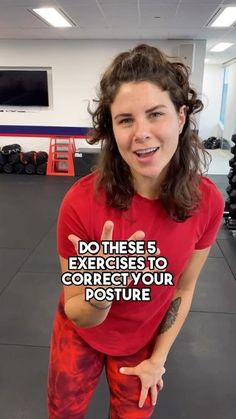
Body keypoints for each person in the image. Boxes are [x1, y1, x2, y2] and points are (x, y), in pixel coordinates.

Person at [47, 44, 225, 419]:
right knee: (63, 413)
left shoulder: (207, 202)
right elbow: (79, 311)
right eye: (125, 119)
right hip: (80, 333)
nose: (141, 133)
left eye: (155, 114)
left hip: (142, 342)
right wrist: (103, 289)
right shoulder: (80, 203)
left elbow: (184, 288)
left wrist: (158, 361)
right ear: (112, 128)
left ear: (180, 117)